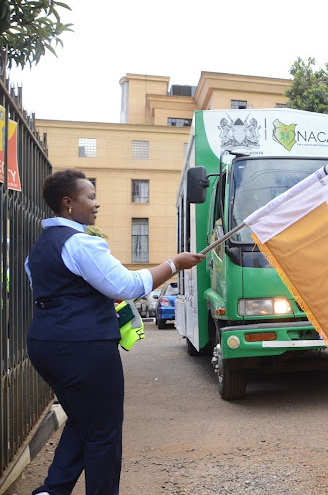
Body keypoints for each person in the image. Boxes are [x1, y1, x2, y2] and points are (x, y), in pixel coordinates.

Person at [25, 169, 205, 495]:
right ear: (68, 203)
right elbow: (127, 285)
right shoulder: (81, 242)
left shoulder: (39, 247)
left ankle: (53, 490)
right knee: (104, 433)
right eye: (90, 197)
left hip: (44, 344)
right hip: (84, 348)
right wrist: (174, 264)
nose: (97, 205)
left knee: (83, 420)